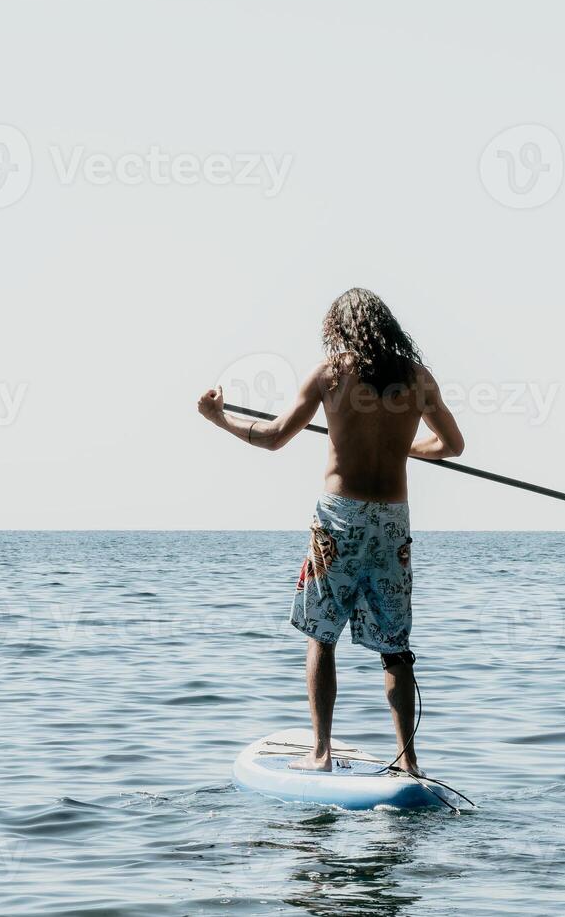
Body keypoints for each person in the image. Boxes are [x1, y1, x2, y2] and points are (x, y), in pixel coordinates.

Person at [197, 288, 464, 776]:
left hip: (339, 519)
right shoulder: (418, 379)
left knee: (322, 634)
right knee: (395, 646)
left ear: (337, 328)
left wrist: (220, 419)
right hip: (391, 521)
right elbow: (452, 445)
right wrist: (404, 447)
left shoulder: (331, 373)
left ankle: (320, 753)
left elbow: (274, 436)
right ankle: (408, 762)